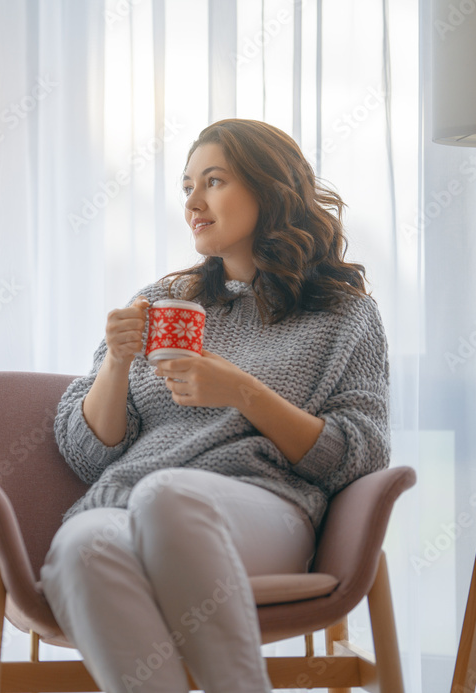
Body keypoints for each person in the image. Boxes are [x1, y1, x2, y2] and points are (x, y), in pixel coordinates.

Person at [38, 118, 390, 693]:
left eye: (214, 182)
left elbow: (359, 454)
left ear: (269, 191)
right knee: (81, 545)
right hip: (125, 500)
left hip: (267, 510)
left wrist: (241, 392)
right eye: (186, 187)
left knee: (167, 494)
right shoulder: (159, 301)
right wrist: (116, 364)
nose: (193, 202)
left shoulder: (342, 316)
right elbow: (84, 453)